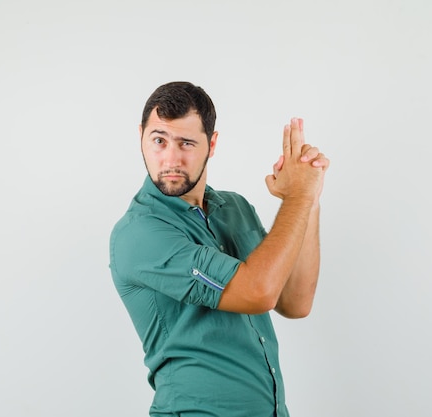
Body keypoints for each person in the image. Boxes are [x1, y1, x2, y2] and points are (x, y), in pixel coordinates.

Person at [109, 81, 329, 417]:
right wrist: (296, 197)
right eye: (159, 140)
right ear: (141, 136)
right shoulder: (139, 233)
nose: (170, 158)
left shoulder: (234, 207)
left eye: (186, 143)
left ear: (211, 144)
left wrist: (308, 194)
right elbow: (258, 292)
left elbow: (294, 302)